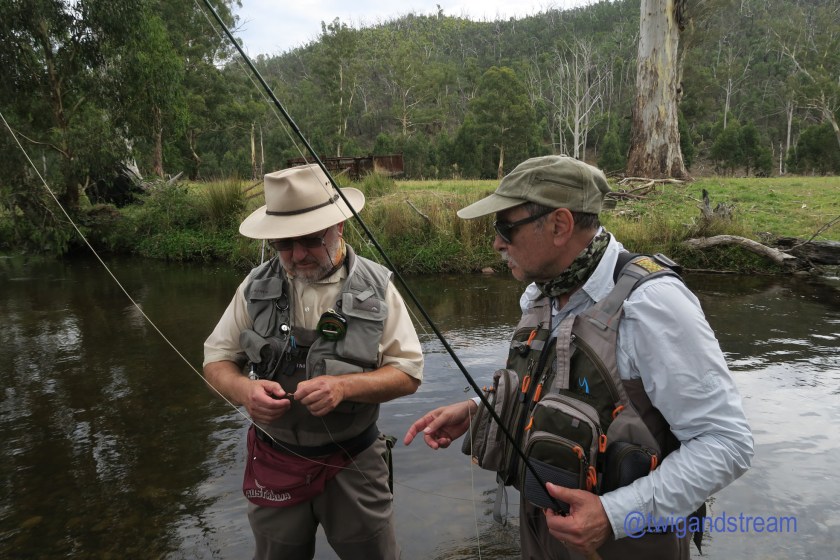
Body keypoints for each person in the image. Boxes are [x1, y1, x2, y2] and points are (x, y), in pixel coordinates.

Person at [403, 155, 753, 560]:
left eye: (505, 227)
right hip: (542, 531)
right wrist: (480, 410)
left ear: (559, 226)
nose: (497, 242)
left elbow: (728, 444)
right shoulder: (539, 293)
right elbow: (558, 392)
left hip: (626, 543)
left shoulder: (654, 306)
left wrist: (612, 514)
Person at [203, 163, 423, 560]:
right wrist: (244, 390)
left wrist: (345, 387)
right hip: (274, 461)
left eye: (309, 240)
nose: (298, 254)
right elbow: (216, 361)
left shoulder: (378, 288)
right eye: (284, 244)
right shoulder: (253, 286)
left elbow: (408, 373)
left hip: (354, 461)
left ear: (339, 225)